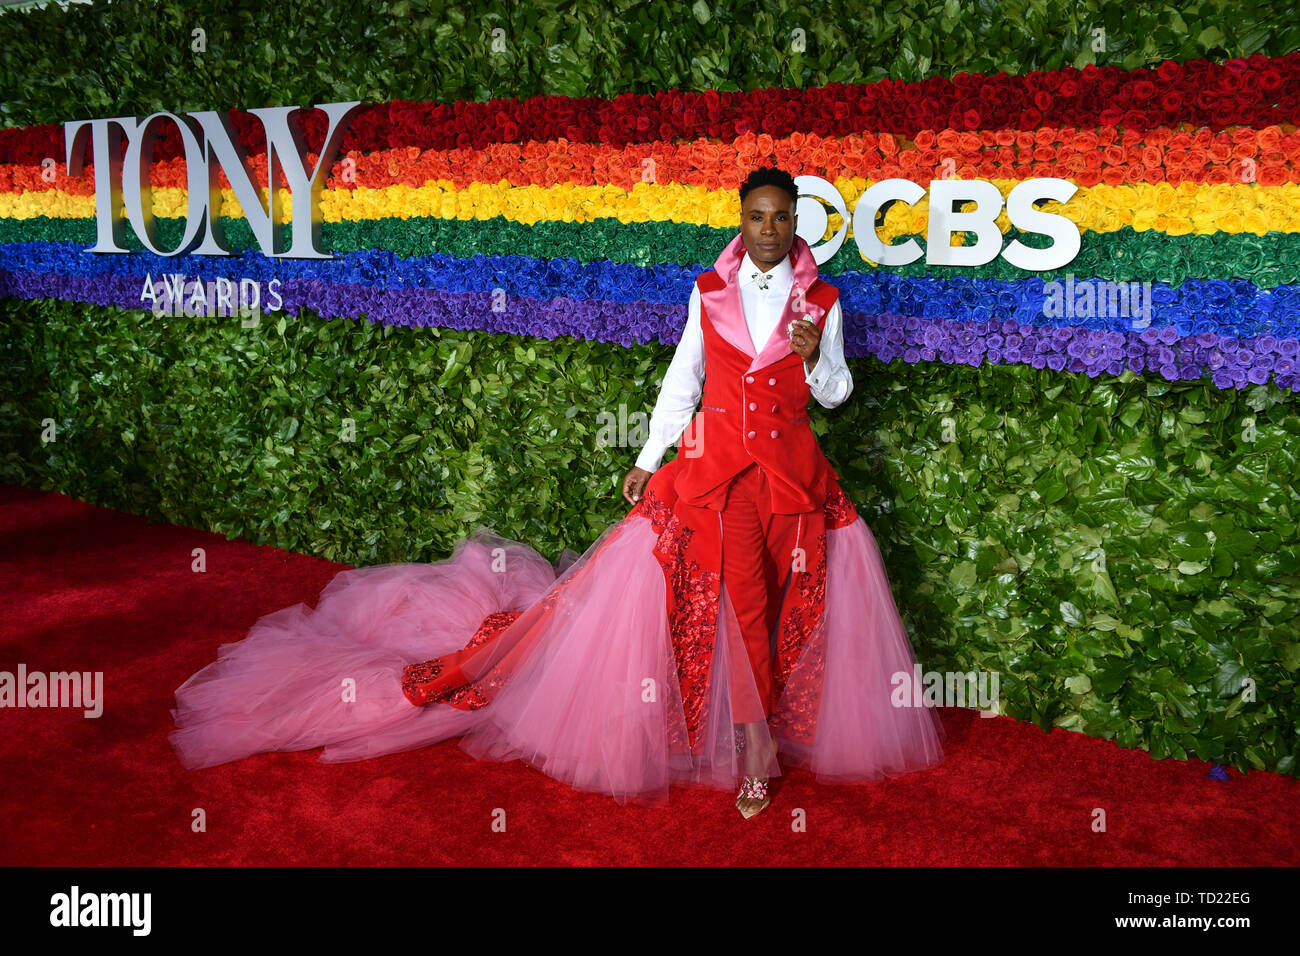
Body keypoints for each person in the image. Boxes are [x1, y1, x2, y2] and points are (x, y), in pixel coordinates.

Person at [169, 167, 947, 818]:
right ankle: (753, 745)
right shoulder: (706, 290)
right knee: (743, 596)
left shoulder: (824, 301)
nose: (770, 229)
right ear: (741, 220)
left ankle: (761, 720)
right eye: (757, 216)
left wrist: (815, 361)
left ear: (799, 221)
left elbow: (839, 395)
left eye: (782, 217)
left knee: (788, 600)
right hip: (716, 473)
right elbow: (683, 382)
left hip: (793, 477)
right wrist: (647, 456)